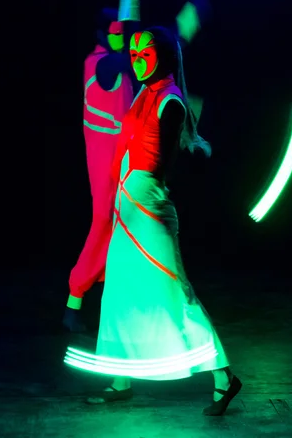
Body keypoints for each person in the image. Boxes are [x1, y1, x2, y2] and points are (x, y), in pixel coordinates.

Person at [86, 26, 242, 415]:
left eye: (145, 55)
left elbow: (161, 163)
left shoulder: (169, 100)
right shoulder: (146, 92)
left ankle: (224, 378)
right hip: (128, 201)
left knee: (177, 294)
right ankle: (121, 379)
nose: (137, 61)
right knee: (119, 292)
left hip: (149, 206)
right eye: (134, 55)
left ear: (165, 58)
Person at [63, 3, 139, 332]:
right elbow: (127, 54)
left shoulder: (119, 64)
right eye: (116, 34)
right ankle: (74, 300)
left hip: (125, 160)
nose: (123, 40)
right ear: (101, 35)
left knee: (121, 229)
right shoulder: (100, 64)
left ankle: (95, 303)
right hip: (105, 163)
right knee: (104, 223)